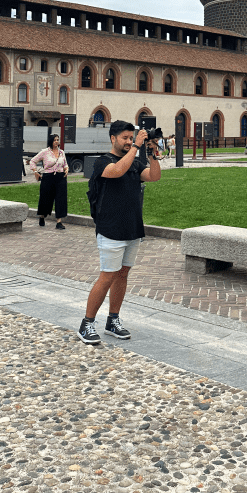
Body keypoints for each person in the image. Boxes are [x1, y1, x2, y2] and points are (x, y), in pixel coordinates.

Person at [78, 120, 162, 345]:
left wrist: (152, 154)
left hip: (132, 227)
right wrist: (136, 146)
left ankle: (112, 320)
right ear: (113, 139)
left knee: (123, 275)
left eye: (130, 137)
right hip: (111, 228)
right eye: (124, 138)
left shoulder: (134, 163)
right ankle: (87, 324)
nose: (127, 141)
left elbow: (153, 176)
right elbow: (116, 171)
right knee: (107, 276)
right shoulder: (102, 162)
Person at [30, 134, 69, 229]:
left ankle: (59, 222)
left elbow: (65, 164)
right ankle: (42, 216)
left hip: (60, 177)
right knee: (45, 198)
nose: (57, 141)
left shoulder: (61, 152)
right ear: (51, 141)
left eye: (58, 140)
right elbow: (32, 161)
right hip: (48, 177)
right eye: (55, 140)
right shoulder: (45, 152)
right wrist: (35, 171)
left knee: (61, 199)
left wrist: (66, 168)